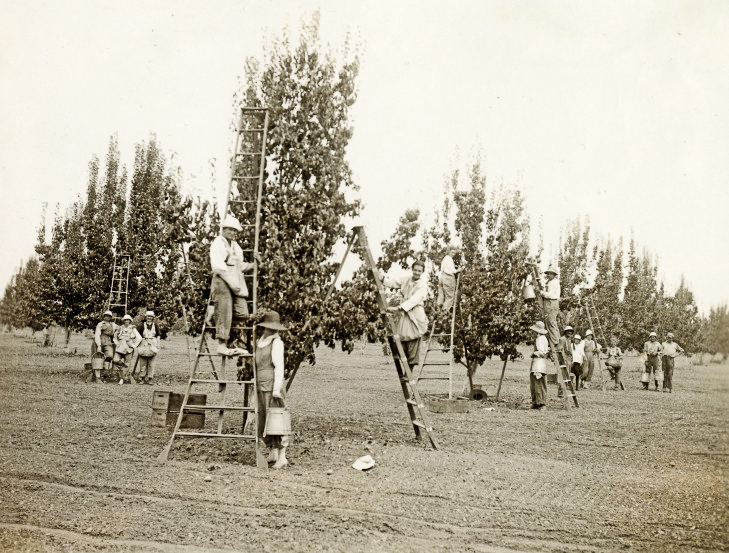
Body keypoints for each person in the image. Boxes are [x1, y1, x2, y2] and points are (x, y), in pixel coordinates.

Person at [210, 215, 259, 357]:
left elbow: (239, 266)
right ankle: (221, 345)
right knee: (224, 309)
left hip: (234, 281)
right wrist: (232, 283)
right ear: (223, 230)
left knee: (242, 312)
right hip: (222, 280)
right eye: (230, 230)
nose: (233, 233)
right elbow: (218, 267)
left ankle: (230, 338)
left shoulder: (234, 246)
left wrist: (254, 264)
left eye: (235, 231)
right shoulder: (218, 243)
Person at [255, 311, 289, 469]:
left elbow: (279, 367)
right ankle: (273, 451)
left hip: (272, 385)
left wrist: (277, 389)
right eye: (270, 327)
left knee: (276, 420)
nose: (272, 330)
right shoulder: (260, 341)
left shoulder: (277, 342)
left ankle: (282, 456)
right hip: (261, 385)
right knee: (264, 419)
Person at [381, 260, 429, 371]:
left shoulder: (422, 285)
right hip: (405, 314)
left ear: (422, 272)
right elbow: (392, 282)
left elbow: (414, 300)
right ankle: (404, 366)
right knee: (401, 337)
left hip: (415, 314)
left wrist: (398, 308)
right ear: (412, 270)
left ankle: (410, 371)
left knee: (414, 339)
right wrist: (382, 278)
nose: (417, 272)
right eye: (415, 270)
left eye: (419, 271)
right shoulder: (406, 279)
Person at [113, 314, 142, 383]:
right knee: (115, 360)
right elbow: (115, 337)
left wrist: (133, 345)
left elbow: (139, 338)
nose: (126, 321)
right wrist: (117, 343)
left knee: (127, 363)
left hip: (129, 348)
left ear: (130, 321)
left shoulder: (132, 328)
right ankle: (124, 367)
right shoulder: (120, 328)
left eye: (128, 320)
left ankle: (122, 379)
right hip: (120, 347)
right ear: (123, 321)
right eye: (125, 320)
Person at [136, 310, 161, 385]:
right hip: (144, 342)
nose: (149, 318)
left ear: (153, 318)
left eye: (151, 317)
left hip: (153, 342)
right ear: (146, 317)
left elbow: (158, 335)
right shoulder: (142, 325)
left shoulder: (155, 325)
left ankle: (150, 378)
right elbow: (138, 335)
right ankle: (142, 378)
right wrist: (138, 344)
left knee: (151, 362)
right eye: (148, 316)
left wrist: (158, 344)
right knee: (143, 362)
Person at [529, 321, 550, 410]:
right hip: (536, 363)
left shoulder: (541, 338)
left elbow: (542, 351)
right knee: (534, 383)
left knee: (539, 382)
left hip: (539, 363)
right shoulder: (539, 338)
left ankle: (541, 403)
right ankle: (536, 402)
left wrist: (534, 353)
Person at [436, 246, 464, 312]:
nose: (453, 254)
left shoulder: (445, 259)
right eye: (452, 252)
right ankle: (444, 313)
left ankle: (437, 313)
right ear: (448, 252)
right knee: (450, 297)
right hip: (448, 278)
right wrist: (459, 269)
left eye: (454, 253)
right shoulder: (449, 259)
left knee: (441, 296)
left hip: (442, 277)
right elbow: (453, 271)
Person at [540, 265, 561, 346]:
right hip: (549, 303)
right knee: (551, 323)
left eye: (550, 274)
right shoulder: (549, 282)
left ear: (554, 275)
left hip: (551, 303)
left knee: (550, 322)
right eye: (548, 274)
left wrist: (541, 293)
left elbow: (550, 295)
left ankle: (555, 342)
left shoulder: (554, 282)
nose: (548, 275)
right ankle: (556, 339)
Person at [93, 310, 117, 382]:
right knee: (98, 358)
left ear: (111, 317)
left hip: (108, 342)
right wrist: (99, 345)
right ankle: (98, 377)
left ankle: (104, 373)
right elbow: (97, 334)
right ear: (104, 317)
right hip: (100, 341)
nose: (107, 317)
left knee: (109, 356)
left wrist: (131, 327)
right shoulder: (100, 324)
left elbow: (120, 328)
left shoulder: (113, 325)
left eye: (109, 316)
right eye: (106, 316)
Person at [556, 326, 575, 396]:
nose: (569, 333)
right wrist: (564, 359)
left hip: (569, 358)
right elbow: (561, 350)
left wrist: (572, 358)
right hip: (564, 359)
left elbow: (570, 350)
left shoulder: (569, 340)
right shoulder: (562, 339)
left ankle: (564, 391)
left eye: (571, 331)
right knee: (563, 375)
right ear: (565, 332)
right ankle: (560, 391)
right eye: (568, 331)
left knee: (567, 376)